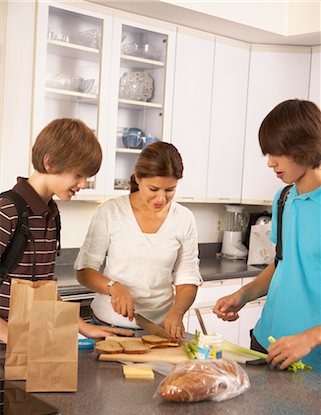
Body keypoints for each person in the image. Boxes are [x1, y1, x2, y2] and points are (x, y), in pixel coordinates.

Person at [0, 118, 133, 343]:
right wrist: (14, 338)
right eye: (78, 175)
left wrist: (83, 327)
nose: (83, 184)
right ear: (50, 163)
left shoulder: (51, 215)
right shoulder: (7, 210)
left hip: (28, 346)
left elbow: (45, 290)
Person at [213, 99, 321, 372]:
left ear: (306, 148)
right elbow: (283, 263)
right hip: (266, 344)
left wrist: (311, 337)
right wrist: (243, 295)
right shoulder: (283, 198)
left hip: (311, 360)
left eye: (278, 153)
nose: (270, 163)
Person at [74, 141, 202, 339]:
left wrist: (177, 312)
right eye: (153, 189)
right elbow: (84, 271)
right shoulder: (110, 211)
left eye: (169, 190)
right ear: (137, 178)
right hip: (109, 326)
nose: (161, 198)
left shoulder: (184, 219)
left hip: (160, 330)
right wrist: (113, 287)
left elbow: (188, 278)